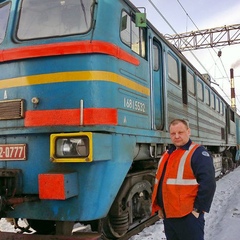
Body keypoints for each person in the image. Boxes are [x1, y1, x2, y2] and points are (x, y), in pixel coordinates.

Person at [152, 119, 216, 240]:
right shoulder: (167, 154)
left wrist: (197, 209)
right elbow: (162, 183)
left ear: (188, 131)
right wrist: (160, 206)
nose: (176, 136)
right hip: (169, 216)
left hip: (188, 217)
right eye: (173, 133)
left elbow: (208, 184)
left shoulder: (198, 153)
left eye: (180, 132)